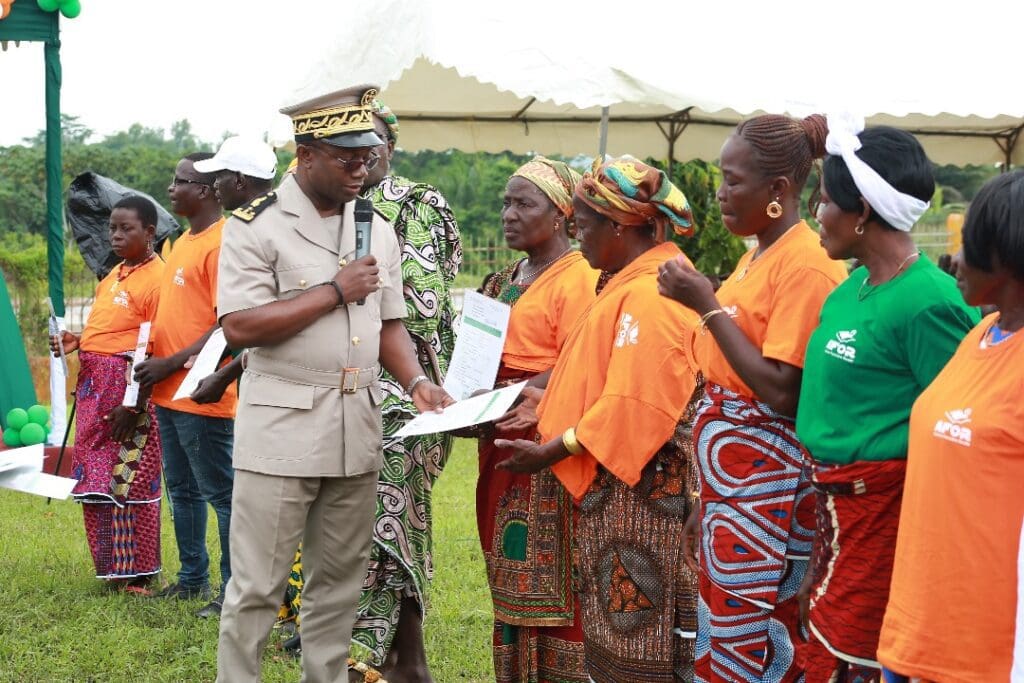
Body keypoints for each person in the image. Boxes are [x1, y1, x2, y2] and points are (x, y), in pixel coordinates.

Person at [214, 84, 453, 683]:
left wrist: (418, 381)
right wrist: (331, 291)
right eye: (346, 156)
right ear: (306, 152)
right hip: (282, 428)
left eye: (367, 154)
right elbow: (240, 326)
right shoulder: (256, 225)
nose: (360, 167)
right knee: (257, 591)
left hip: (357, 426)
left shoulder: (376, 225)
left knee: (338, 589)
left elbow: (390, 322)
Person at [657, 113, 848, 682]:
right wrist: (707, 502)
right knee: (730, 631)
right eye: (721, 177)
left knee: (765, 632)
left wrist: (705, 304)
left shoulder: (806, 265)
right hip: (733, 489)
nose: (720, 192)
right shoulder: (757, 256)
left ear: (778, 191)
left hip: (770, 489)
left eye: (733, 180)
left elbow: (782, 390)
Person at [277, 100, 463, 682]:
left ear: (391, 147)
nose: (365, 154)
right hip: (324, 388)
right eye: (351, 146)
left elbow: (425, 309)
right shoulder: (310, 208)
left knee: (391, 510)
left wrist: (410, 384)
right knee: (333, 520)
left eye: (376, 140)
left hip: (406, 389)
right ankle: (341, 642)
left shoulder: (418, 205)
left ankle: (399, 656)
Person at [497, 157, 702, 681]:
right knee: (614, 636)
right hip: (616, 486)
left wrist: (552, 447)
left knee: (641, 643)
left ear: (618, 226)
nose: (578, 237)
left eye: (584, 226)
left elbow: (633, 403)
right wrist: (543, 404)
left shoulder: (652, 295)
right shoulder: (624, 283)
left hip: (642, 492)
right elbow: (597, 376)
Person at [794, 117, 979, 682]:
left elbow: (959, 423)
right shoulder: (851, 287)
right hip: (833, 508)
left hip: (884, 516)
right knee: (827, 639)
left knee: (857, 656)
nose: (816, 215)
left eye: (825, 201)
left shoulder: (928, 301)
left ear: (863, 212)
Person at [878, 170, 1024, 682]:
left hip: (985, 654)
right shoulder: (983, 332)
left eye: (970, 244)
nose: (954, 260)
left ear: (1006, 255)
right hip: (921, 631)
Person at [471, 156, 597, 683]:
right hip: (495, 433)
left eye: (525, 204)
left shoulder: (579, 279)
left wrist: (504, 393)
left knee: (547, 578)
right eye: (506, 202)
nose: (509, 214)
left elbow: (578, 366)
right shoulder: (505, 278)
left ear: (563, 214)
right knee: (505, 568)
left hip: (541, 440)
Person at [133, 152, 236, 620]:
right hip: (166, 390)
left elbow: (227, 324)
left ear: (209, 190)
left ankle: (233, 590)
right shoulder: (181, 243)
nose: (171, 188)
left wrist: (173, 362)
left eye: (182, 181)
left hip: (201, 392)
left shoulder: (222, 242)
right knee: (182, 488)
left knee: (221, 492)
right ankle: (192, 577)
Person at [50, 195, 164, 592]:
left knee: (130, 481)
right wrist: (78, 340)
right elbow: (114, 329)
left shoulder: (158, 279)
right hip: (95, 389)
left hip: (127, 394)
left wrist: (133, 405)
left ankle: (139, 574)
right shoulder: (114, 274)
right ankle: (112, 569)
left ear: (149, 232)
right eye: (112, 228)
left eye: (126, 228)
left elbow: (151, 347)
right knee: (97, 482)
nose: (115, 235)